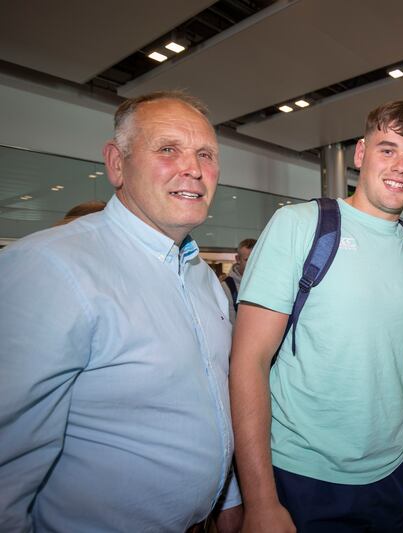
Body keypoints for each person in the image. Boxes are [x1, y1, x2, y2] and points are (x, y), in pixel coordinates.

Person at [0, 91, 241, 532]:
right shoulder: (50, 267)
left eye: (205, 154)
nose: (193, 168)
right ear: (116, 163)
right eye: (168, 149)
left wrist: (230, 497)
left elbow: (212, 395)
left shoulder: (204, 280)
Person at [230, 101, 403, 532]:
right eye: (388, 150)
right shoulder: (301, 225)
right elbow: (248, 362)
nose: (400, 166)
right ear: (360, 154)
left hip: (394, 471)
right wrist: (260, 500)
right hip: (305, 474)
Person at [221, 237, 256, 323]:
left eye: (256, 259)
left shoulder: (268, 283)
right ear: (238, 259)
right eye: (247, 260)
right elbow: (230, 323)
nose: (253, 264)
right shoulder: (227, 286)